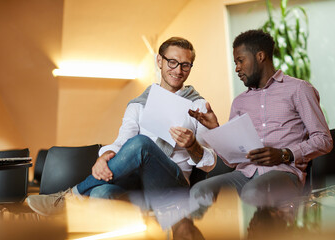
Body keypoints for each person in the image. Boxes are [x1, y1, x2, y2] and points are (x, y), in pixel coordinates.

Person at [27, 37, 216, 217]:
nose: (178, 70)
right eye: (172, 62)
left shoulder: (198, 106)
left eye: (185, 65)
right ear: (159, 61)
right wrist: (104, 157)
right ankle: (80, 200)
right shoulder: (138, 105)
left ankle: (71, 196)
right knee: (100, 193)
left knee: (142, 143)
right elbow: (122, 143)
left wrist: (193, 146)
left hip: (172, 187)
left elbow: (210, 163)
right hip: (134, 184)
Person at [189, 29, 333, 207]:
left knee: (254, 191)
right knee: (199, 191)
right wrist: (216, 129)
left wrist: (284, 154)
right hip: (245, 174)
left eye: (240, 61)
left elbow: (324, 140)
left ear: (260, 56)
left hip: (284, 174)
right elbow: (231, 160)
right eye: (235, 63)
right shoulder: (239, 102)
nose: (237, 68)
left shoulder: (299, 89)